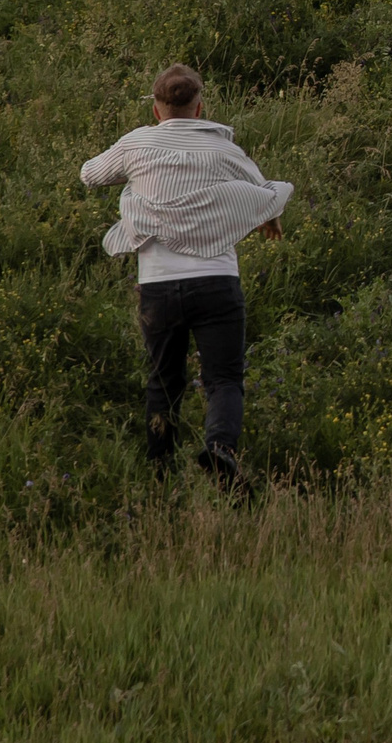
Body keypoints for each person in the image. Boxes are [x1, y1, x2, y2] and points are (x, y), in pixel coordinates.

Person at [79, 64, 291, 486]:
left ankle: (161, 475)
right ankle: (220, 451)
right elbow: (264, 191)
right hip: (217, 280)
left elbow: (89, 175)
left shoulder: (136, 143)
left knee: (163, 381)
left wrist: (135, 173)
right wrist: (270, 216)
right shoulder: (223, 150)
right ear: (200, 109)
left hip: (158, 285)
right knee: (225, 379)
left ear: (156, 112)